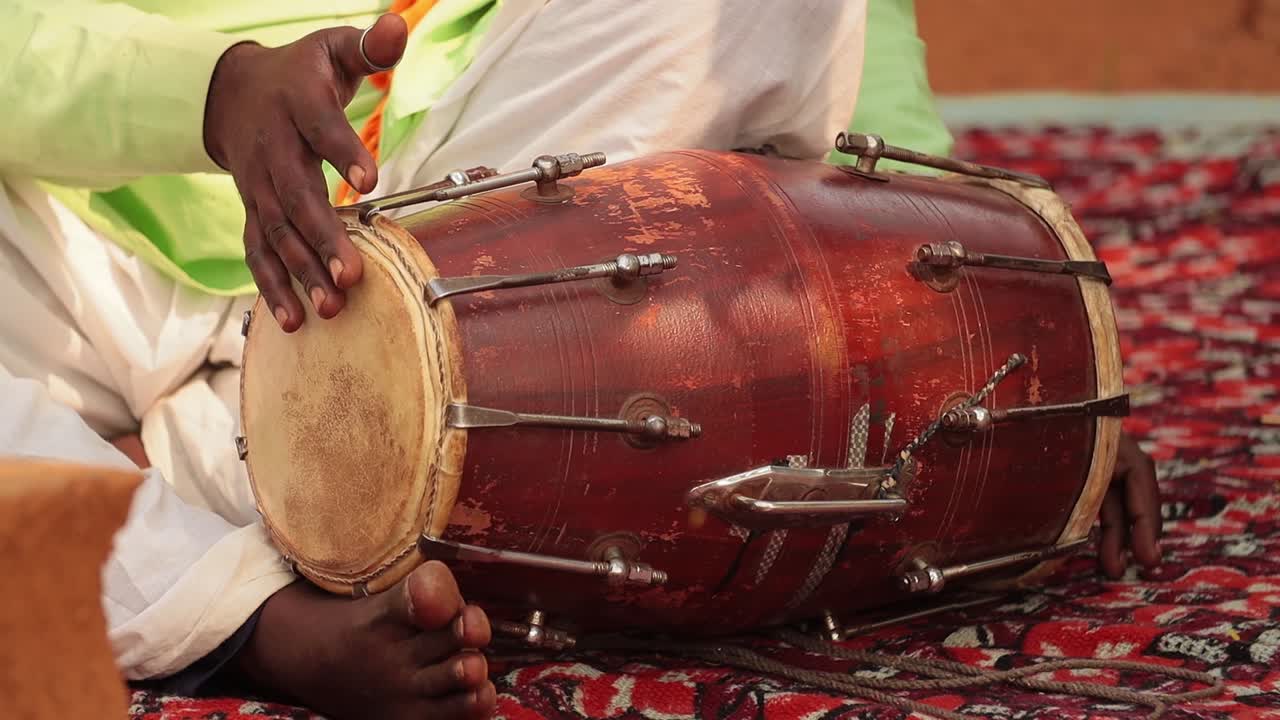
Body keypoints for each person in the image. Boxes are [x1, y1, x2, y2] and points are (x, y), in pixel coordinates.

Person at [0, 1, 875, 717]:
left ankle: (232, 460)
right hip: (65, 225)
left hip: (433, 188)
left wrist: (899, 200)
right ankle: (251, 612)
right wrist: (211, 90)